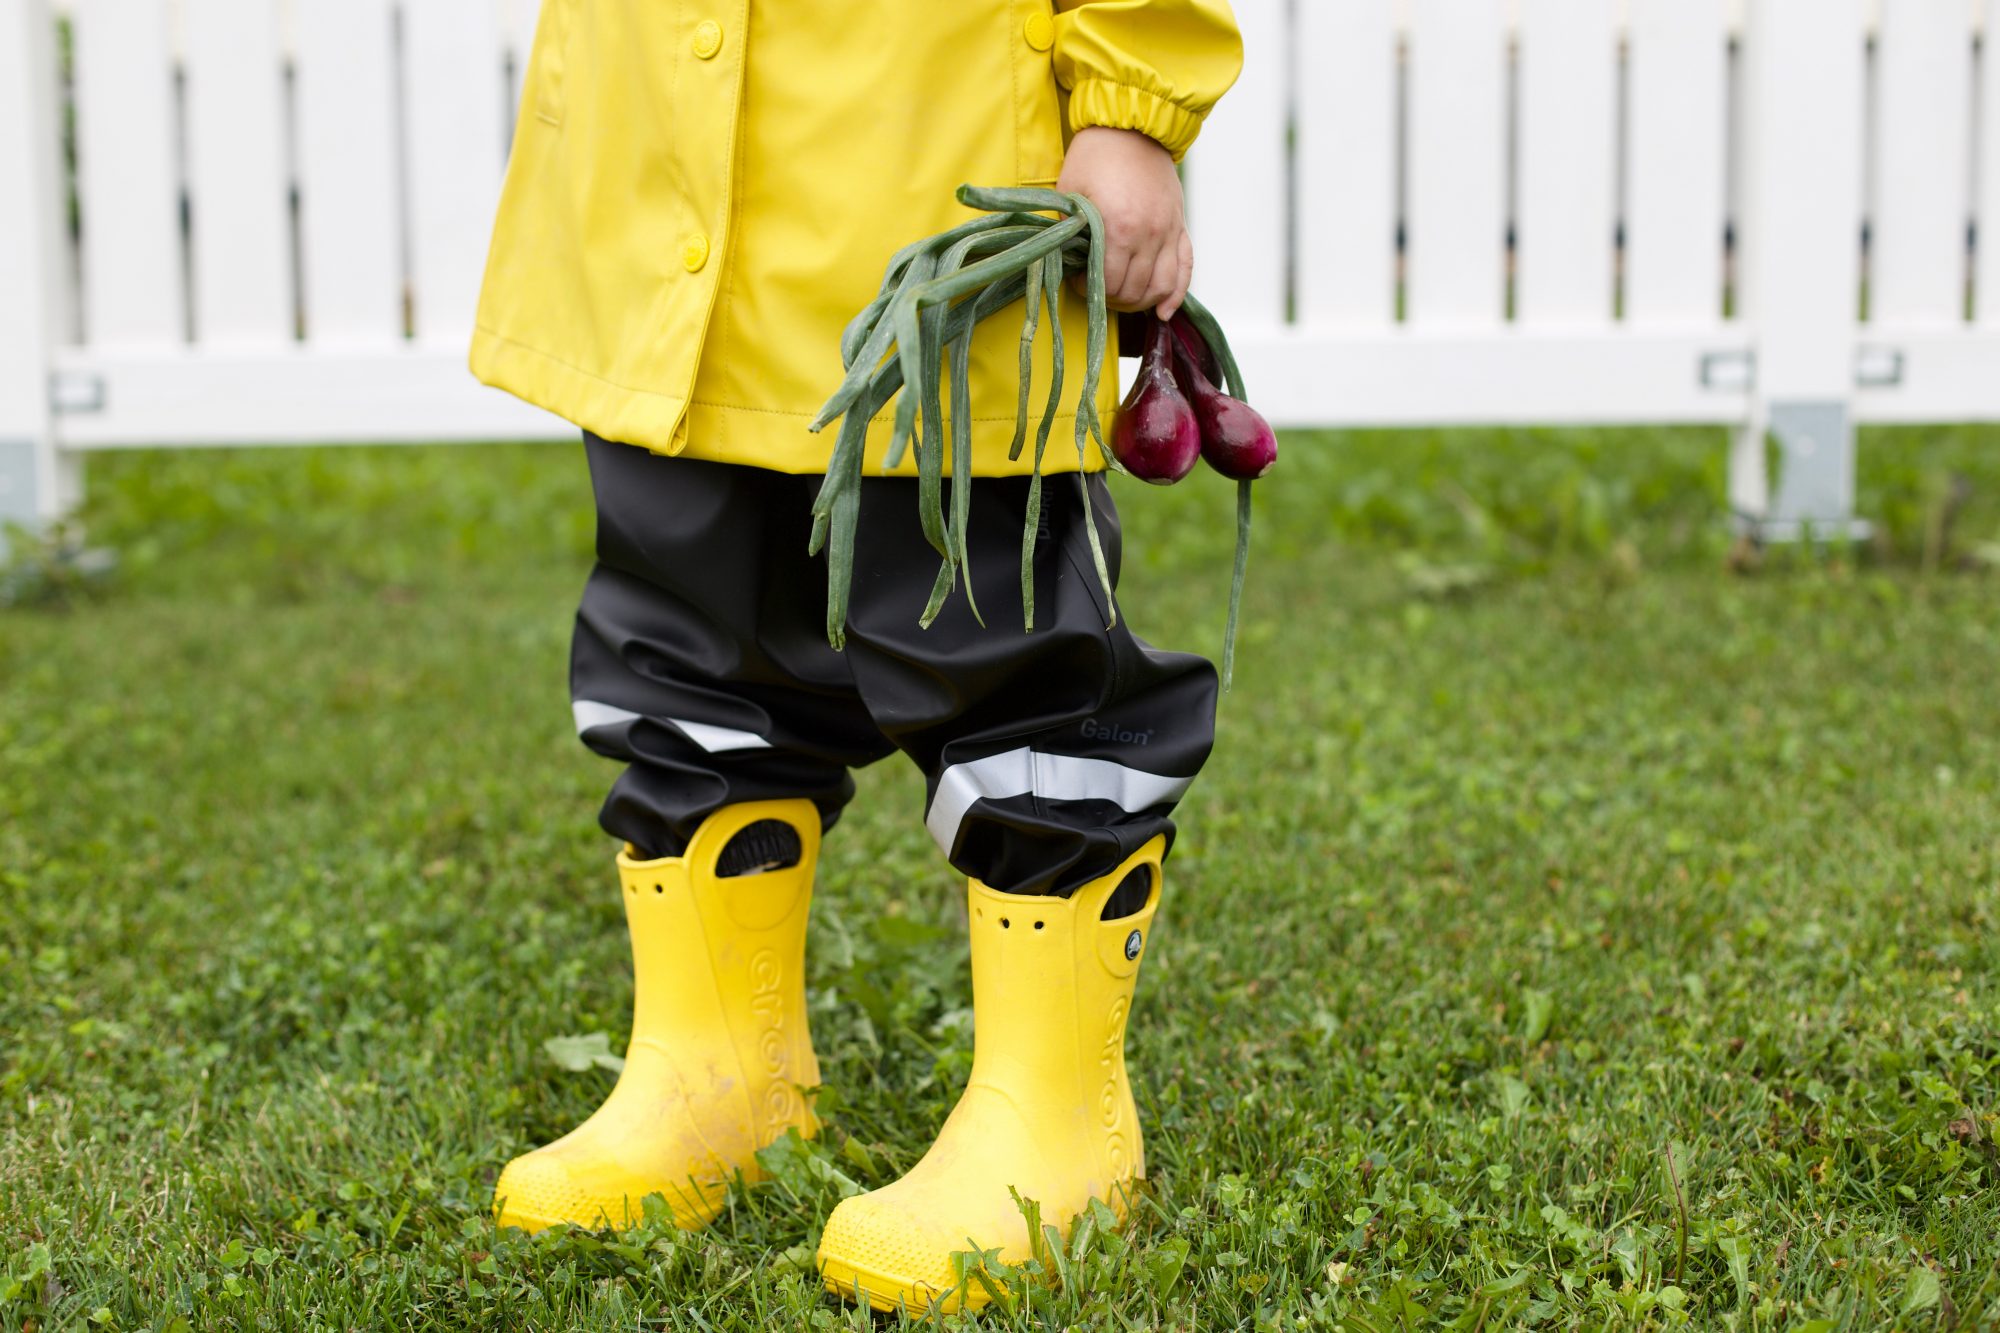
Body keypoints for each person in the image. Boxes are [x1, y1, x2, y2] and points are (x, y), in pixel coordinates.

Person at [467, 0, 1243, 1313]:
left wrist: (1130, 106)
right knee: (682, 634)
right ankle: (717, 1074)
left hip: (927, 170)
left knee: (995, 640)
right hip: (663, 164)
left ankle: (1061, 1120)